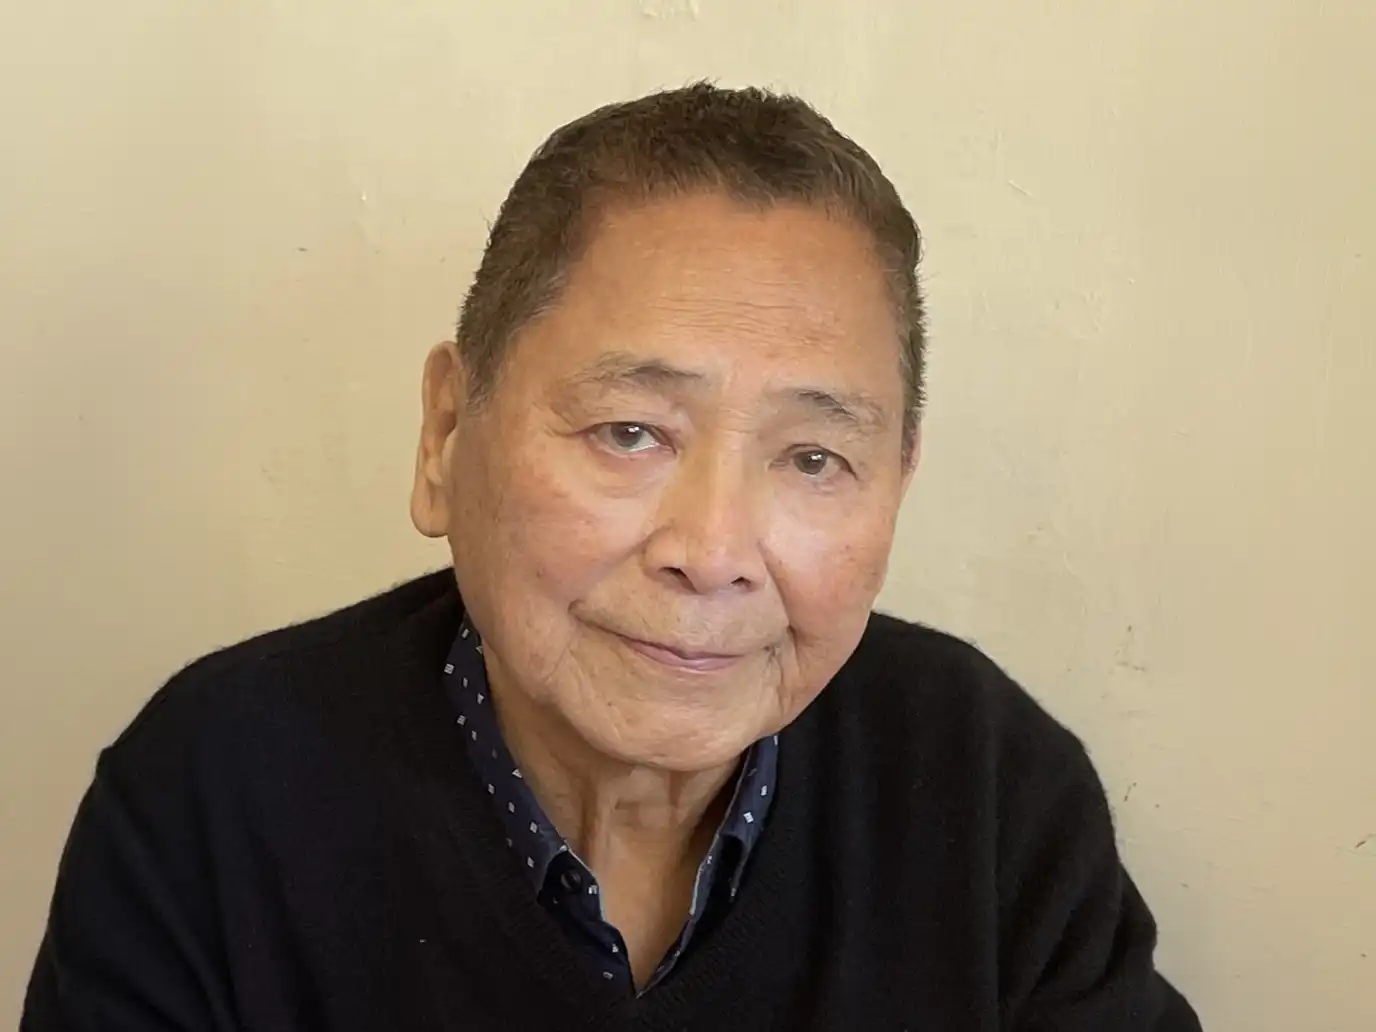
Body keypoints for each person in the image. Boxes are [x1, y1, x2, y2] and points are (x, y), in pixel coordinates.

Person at [23, 84, 1201, 1031]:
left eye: (811, 459)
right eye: (628, 433)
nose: (713, 552)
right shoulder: (215, 793)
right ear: (445, 436)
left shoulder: (988, 791)